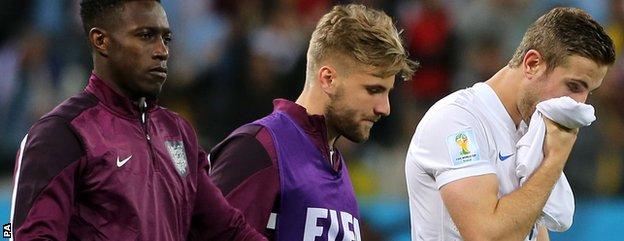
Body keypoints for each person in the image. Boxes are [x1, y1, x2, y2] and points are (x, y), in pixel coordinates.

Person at [9, 1, 267, 240]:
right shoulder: (62, 133)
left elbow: (228, 230)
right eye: (146, 36)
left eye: (166, 39)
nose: (162, 51)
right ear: (101, 40)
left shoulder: (177, 132)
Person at [208, 4, 417, 241]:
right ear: (328, 79)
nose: (384, 108)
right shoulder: (259, 147)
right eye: (373, 90)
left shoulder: (335, 165)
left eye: (387, 93)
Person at [405, 7, 615, 241]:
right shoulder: (457, 121)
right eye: (574, 86)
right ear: (532, 64)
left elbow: (530, 228)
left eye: (589, 92)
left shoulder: (532, 129)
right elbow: (486, 236)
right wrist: (555, 160)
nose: (580, 104)